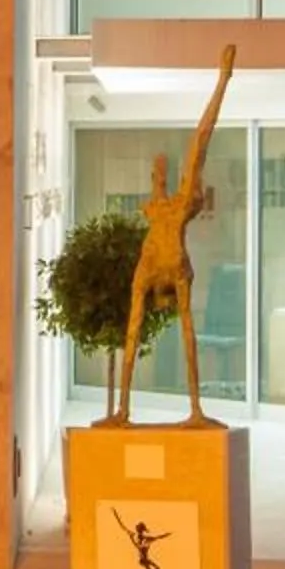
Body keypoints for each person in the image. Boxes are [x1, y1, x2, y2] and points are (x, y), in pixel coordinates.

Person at [115, 44, 238, 426]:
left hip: (163, 252)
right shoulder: (171, 270)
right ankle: (133, 408)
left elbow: (201, 141)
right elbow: (175, 333)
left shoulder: (151, 269)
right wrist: (222, 79)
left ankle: (142, 408)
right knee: (196, 148)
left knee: (197, 147)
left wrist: (222, 80)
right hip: (166, 252)